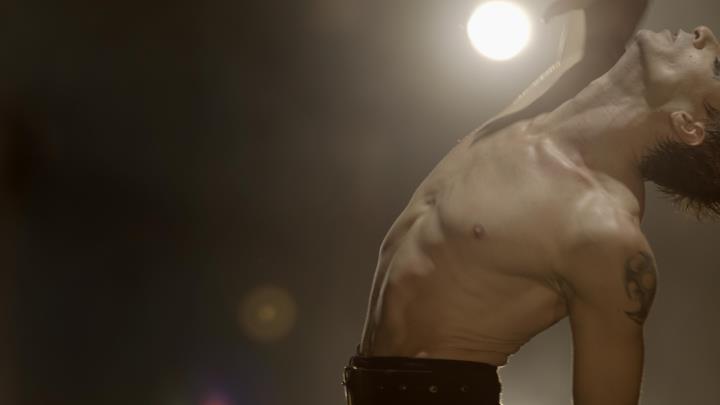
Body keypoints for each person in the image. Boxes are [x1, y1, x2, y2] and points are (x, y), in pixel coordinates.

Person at [343, 0, 720, 404]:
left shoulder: (606, 233)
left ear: (687, 124)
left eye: (717, 67)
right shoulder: (562, 90)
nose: (706, 33)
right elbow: (610, 18)